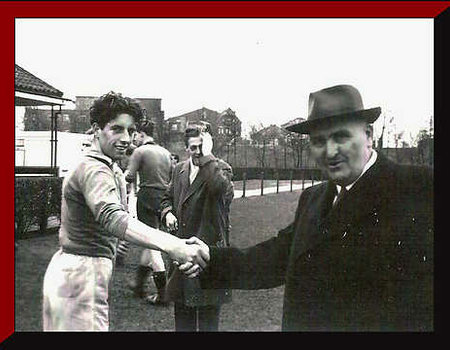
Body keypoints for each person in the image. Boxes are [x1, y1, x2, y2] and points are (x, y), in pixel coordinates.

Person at [182, 84, 433, 331]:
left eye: (341, 136)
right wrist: (210, 257)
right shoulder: (313, 198)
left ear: (368, 135)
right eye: (319, 141)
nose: (330, 151)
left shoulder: (419, 187)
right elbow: (275, 258)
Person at [42, 92, 209, 331]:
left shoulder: (103, 164)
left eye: (131, 131)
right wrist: (175, 246)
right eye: (116, 129)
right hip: (81, 274)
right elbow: (112, 217)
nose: (126, 138)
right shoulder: (94, 169)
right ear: (96, 129)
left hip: (78, 272)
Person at [160, 125, 234, 332]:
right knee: (183, 320)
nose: (198, 152)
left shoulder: (221, 168)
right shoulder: (179, 170)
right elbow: (166, 197)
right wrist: (168, 213)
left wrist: (209, 156)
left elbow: (219, 190)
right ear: (186, 149)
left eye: (202, 146)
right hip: (181, 254)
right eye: (194, 148)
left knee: (209, 322)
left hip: (209, 254)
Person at [125, 120, 173, 305]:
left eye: (135, 134)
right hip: (164, 200)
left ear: (142, 134)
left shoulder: (140, 151)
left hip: (146, 197)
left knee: (152, 243)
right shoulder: (166, 153)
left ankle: (163, 293)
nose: (133, 137)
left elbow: (129, 176)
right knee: (152, 239)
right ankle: (139, 284)